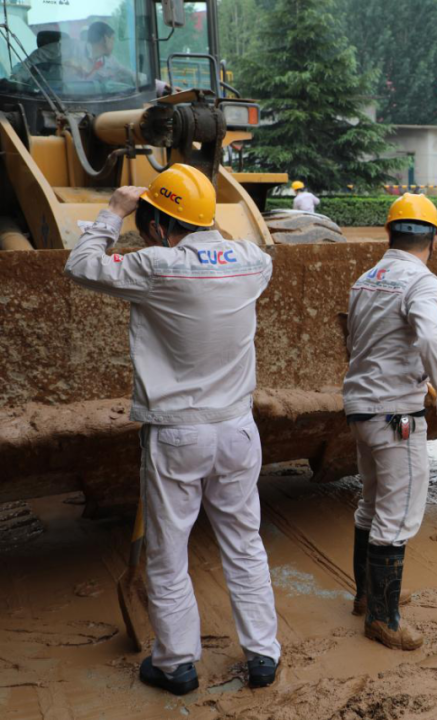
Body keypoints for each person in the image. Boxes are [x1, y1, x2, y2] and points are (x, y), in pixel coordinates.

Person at [64, 165, 279, 694]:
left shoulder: (154, 266)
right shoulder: (253, 262)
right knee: (244, 543)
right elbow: (221, 246)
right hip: (237, 431)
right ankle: (263, 655)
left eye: (147, 224)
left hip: (178, 435)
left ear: (159, 225)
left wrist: (114, 211)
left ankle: (175, 664)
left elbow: (81, 265)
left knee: (168, 552)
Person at [344, 193, 437, 650]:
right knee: (396, 516)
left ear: (389, 233)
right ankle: (383, 618)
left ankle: (366, 596)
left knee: (371, 504)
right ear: (433, 238)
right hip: (397, 416)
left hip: (361, 408)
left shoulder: (366, 279)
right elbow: (431, 337)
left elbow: (358, 341)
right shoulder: (422, 281)